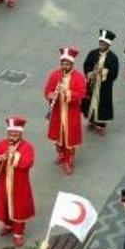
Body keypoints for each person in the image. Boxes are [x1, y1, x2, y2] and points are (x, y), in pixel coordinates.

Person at [0, 116, 36, 247]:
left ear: (21, 134)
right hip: (4, 183)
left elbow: (28, 162)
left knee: (19, 208)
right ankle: (8, 225)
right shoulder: (2, 144)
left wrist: (15, 156)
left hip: (20, 185)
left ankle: (18, 234)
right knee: (5, 205)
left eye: (15, 134)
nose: (12, 137)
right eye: (10, 134)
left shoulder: (27, 147)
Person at [45, 47, 88, 175]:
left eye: (67, 63)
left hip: (71, 113)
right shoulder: (55, 75)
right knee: (58, 138)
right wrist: (50, 95)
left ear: (72, 64)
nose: (65, 66)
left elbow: (81, 93)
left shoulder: (78, 77)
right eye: (63, 63)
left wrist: (67, 93)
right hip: (58, 112)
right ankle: (61, 154)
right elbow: (48, 90)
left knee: (69, 140)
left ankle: (68, 160)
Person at [82, 29, 119, 135]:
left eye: (104, 44)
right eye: (101, 43)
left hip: (104, 86)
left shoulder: (113, 58)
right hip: (92, 85)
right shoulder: (92, 53)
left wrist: (102, 71)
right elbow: (86, 65)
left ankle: (101, 125)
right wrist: (89, 73)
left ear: (108, 45)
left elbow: (114, 73)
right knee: (89, 103)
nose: (102, 45)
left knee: (102, 105)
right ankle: (92, 120)